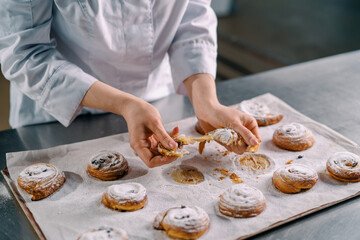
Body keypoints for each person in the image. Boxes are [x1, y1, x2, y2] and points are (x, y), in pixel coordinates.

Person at [0, 0, 260, 168]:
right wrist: (124, 103)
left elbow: (191, 18)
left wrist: (206, 103)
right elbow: (25, 52)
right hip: (55, 113)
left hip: (155, 100)